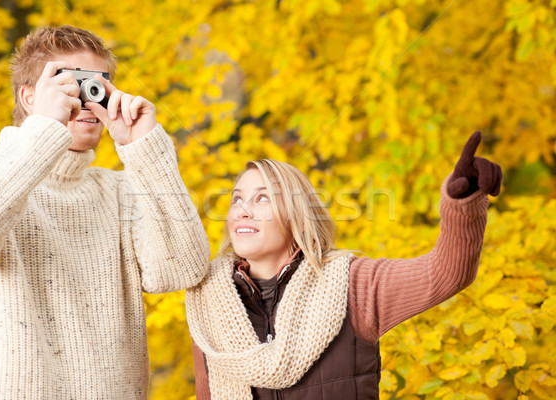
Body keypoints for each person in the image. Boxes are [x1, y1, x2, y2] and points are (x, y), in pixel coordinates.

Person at [0, 25, 209, 399]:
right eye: (70, 83)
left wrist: (145, 151)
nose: (86, 99)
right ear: (30, 97)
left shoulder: (119, 190)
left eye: (98, 85)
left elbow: (181, 269)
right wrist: (45, 128)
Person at [186, 132, 502, 400]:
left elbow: (445, 273)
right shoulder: (209, 303)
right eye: (237, 200)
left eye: (262, 199)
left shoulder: (351, 282)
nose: (242, 211)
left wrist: (464, 204)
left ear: (296, 215)